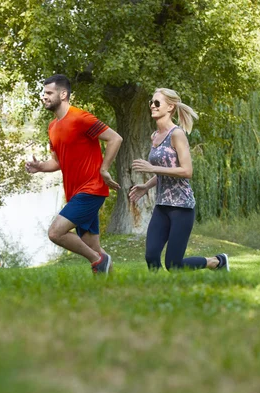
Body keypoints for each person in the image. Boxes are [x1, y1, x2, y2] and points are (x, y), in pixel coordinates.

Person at [26, 74, 123, 274]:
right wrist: (40, 167)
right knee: (93, 247)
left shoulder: (81, 118)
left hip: (91, 189)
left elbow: (115, 138)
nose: (44, 97)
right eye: (44, 93)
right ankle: (113, 287)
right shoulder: (52, 127)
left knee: (55, 233)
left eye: (49, 93)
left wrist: (104, 169)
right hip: (75, 192)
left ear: (63, 94)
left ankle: (97, 261)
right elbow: (58, 162)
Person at [128, 88, 229, 272]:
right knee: (151, 255)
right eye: (151, 102)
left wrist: (152, 169)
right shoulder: (154, 136)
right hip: (162, 205)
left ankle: (217, 261)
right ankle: (155, 292)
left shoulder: (177, 134)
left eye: (157, 102)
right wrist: (146, 185)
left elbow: (187, 171)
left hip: (181, 207)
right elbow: (165, 171)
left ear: (170, 107)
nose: (152, 105)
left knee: (174, 265)